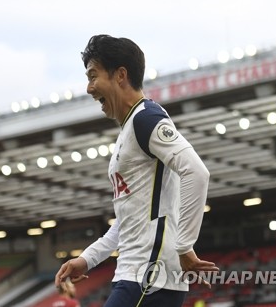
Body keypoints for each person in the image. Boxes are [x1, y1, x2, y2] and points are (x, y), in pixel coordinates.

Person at [54, 35, 219, 307]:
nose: (88, 88)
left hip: (148, 275)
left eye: (93, 76)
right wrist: (88, 259)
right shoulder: (130, 129)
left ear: (120, 75)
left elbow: (196, 172)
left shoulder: (147, 119)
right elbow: (128, 219)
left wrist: (185, 247)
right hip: (136, 275)